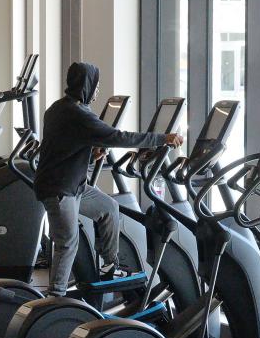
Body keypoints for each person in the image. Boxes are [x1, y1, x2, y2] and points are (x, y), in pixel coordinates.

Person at [34, 62, 184, 297]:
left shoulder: (58, 108)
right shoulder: (78, 114)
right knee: (68, 242)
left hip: (74, 186)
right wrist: (162, 138)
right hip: (59, 189)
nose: (97, 90)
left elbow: (64, 145)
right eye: (96, 85)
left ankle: (109, 266)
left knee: (109, 208)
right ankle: (54, 299)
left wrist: (91, 153)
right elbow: (117, 136)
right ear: (87, 85)